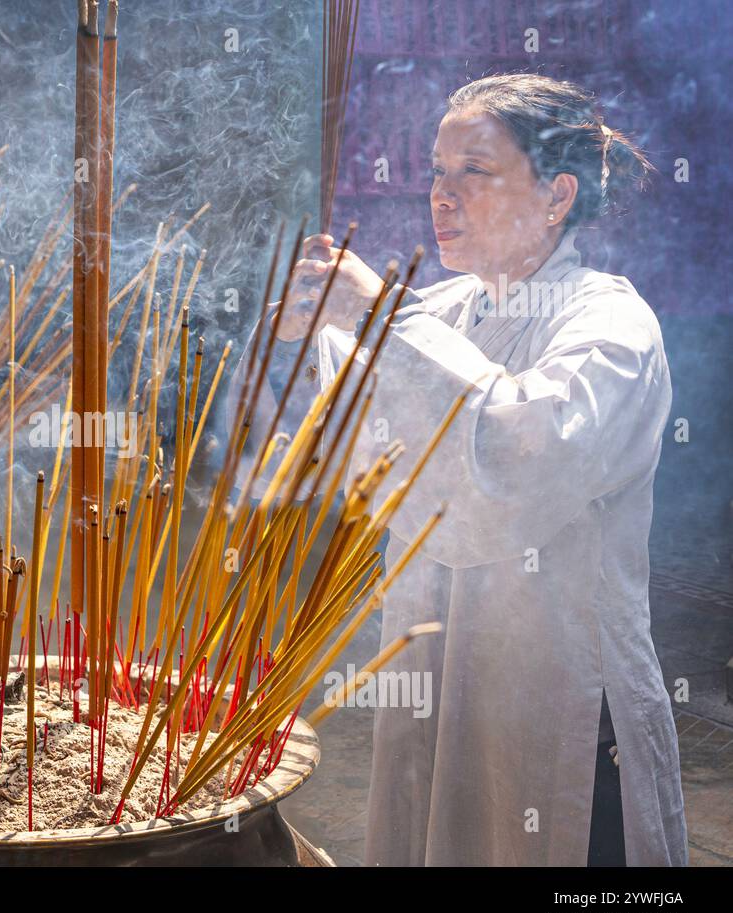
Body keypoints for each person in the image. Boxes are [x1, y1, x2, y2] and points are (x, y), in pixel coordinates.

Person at [229, 73, 687, 865]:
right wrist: (293, 348)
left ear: (556, 196)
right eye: (437, 173)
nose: (441, 195)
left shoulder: (612, 325)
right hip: (442, 680)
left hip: (563, 703)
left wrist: (375, 317)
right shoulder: (439, 311)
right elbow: (333, 439)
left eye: (473, 172)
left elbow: (514, 461)